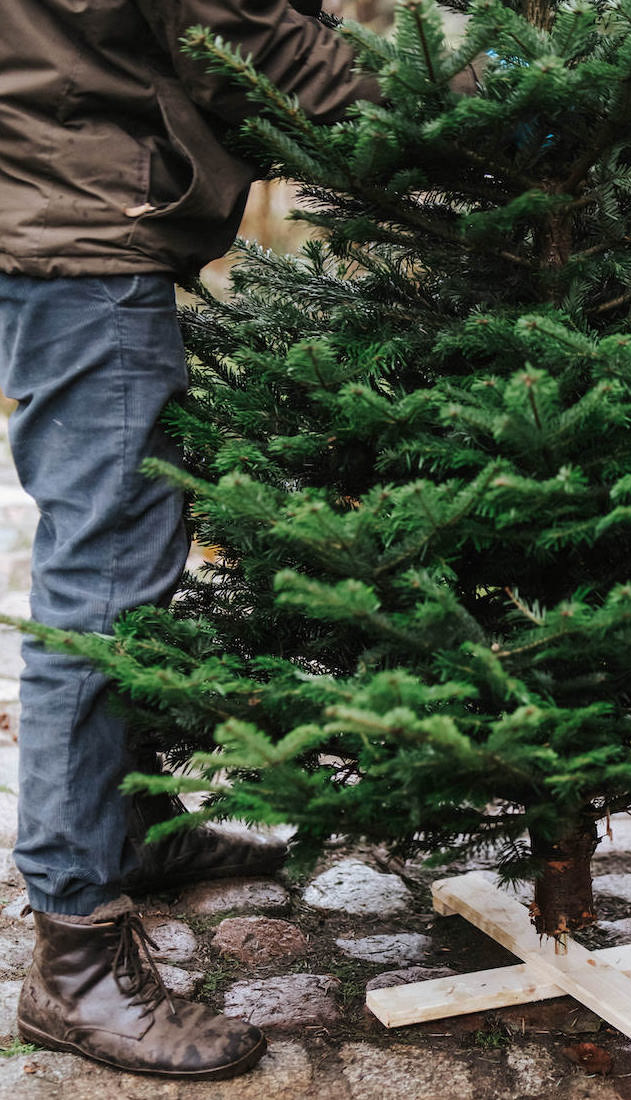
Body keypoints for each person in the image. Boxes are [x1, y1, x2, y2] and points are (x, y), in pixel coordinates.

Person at [0, 0, 382, 1080]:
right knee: (105, 581)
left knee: (123, 556)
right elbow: (245, 42)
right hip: (82, 223)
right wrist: (467, 107)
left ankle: (131, 832)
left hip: (60, 192)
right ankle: (76, 952)